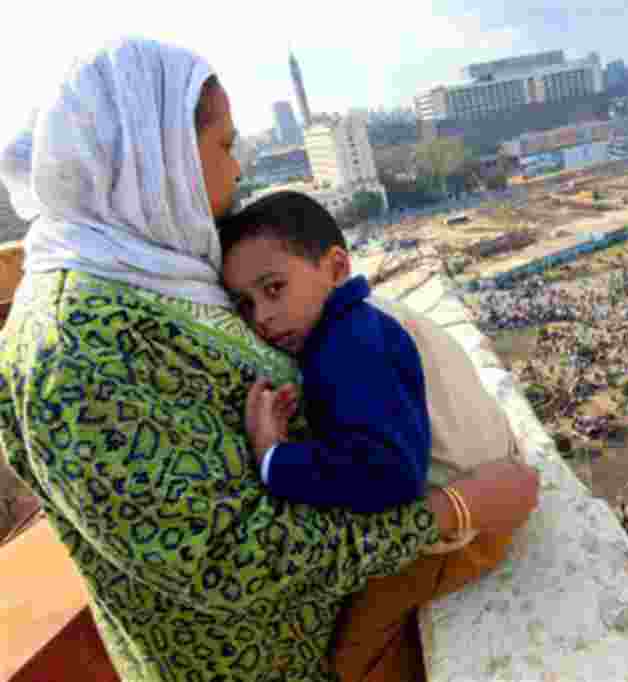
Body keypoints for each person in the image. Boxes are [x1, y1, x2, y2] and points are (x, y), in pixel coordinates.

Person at [0, 37, 539, 682]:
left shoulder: (150, 271)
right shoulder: (75, 351)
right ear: (154, 156)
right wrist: (454, 509)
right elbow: (224, 558)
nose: (239, 166)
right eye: (225, 145)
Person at [217, 191, 523, 680]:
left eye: (274, 289)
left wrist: (275, 459)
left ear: (336, 267)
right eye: (245, 305)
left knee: (352, 659)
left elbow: (386, 476)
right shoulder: (360, 322)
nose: (262, 317)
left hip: (465, 534)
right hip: (483, 493)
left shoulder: (347, 346)